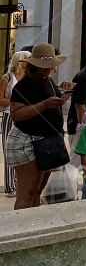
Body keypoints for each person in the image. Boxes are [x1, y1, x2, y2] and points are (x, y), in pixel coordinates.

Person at [7, 44, 74, 209]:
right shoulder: (24, 85)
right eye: (43, 67)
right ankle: (22, 229)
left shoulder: (48, 81)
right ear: (33, 65)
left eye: (50, 66)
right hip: (27, 140)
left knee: (37, 192)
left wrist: (63, 91)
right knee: (27, 193)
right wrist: (44, 104)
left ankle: (33, 226)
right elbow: (16, 114)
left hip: (46, 141)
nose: (47, 70)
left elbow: (49, 98)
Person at [0, 50, 30, 195]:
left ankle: (20, 184)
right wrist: (16, 101)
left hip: (25, 116)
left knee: (23, 151)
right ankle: (10, 186)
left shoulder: (29, 78)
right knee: (9, 150)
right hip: (9, 115)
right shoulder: (8, 77)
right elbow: (0, 100)